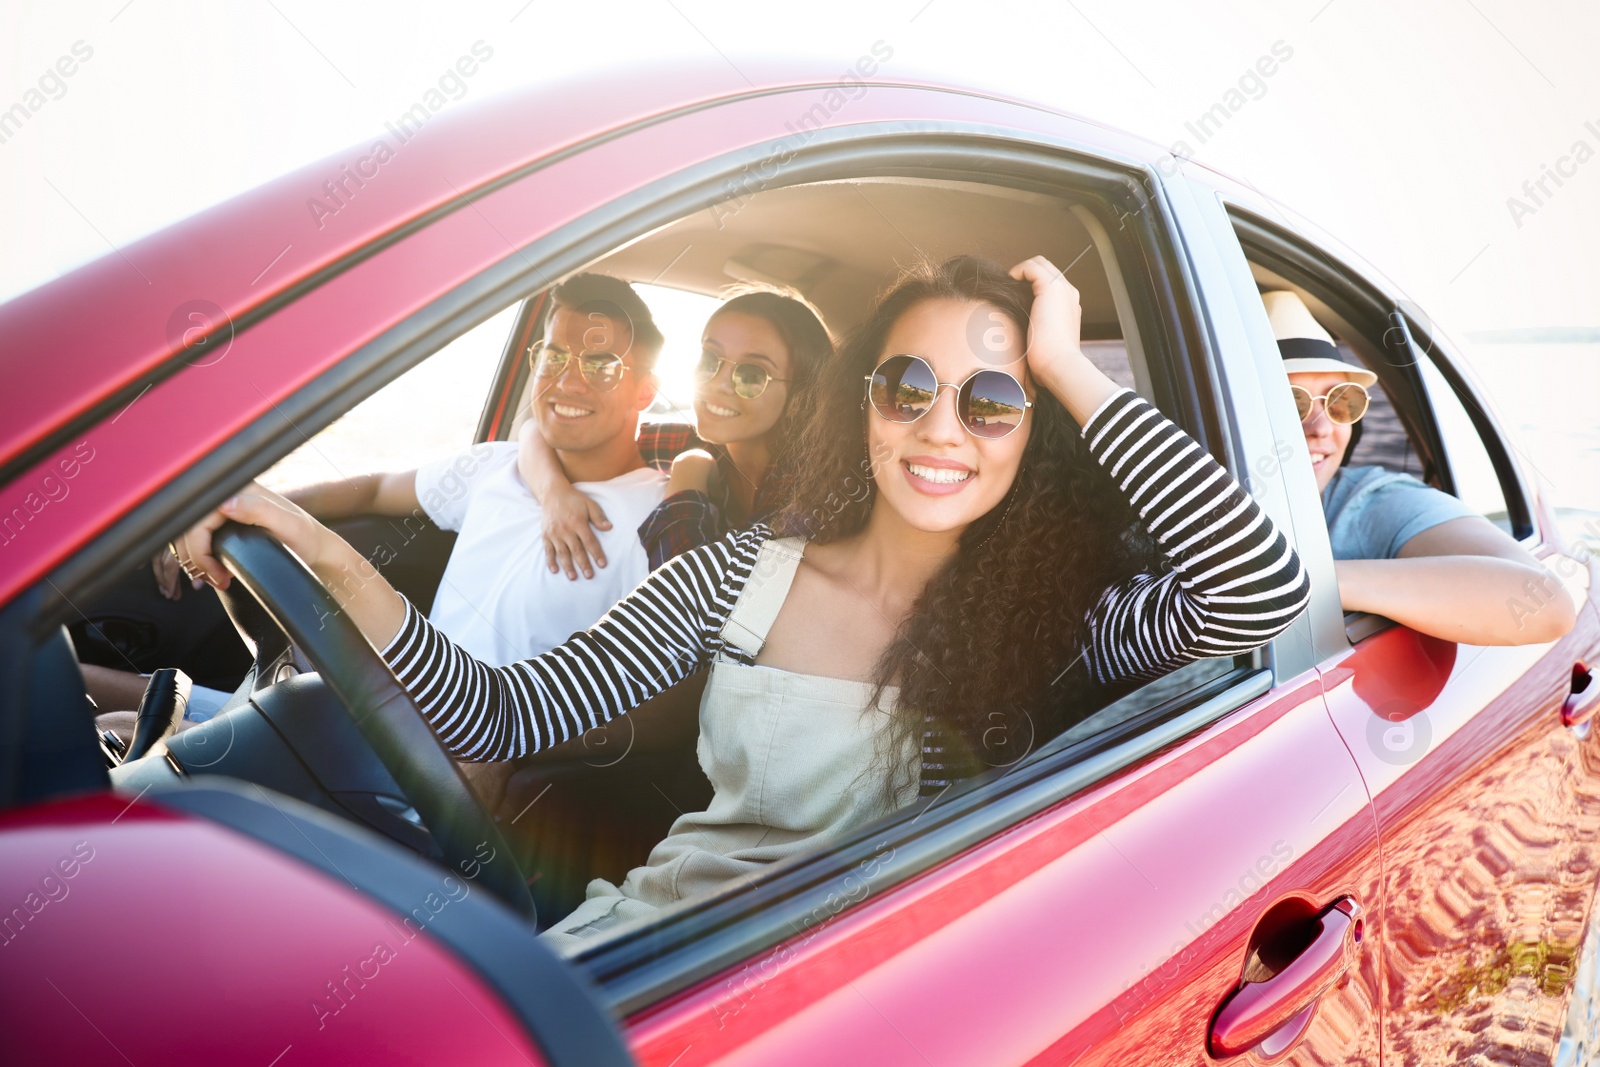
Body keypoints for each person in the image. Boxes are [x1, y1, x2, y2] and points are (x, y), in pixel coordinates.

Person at [176, 255, 1311, 953]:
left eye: (994, 398)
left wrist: (1072, 368)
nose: (939, 427)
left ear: (1036, 427)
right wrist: (308, 535)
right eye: (907, 386)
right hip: (654, 967)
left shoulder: (1064, 624)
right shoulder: (741, 567)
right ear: (867, 404)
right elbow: (496, 717)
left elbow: (1261, 585)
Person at [97, 274, 669, 766]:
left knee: (120, 741)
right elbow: (370, 489)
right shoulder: (498, 466)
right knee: (98, 709)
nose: (567, 382)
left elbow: (651, 705)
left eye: (601, 364)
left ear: (646, 390)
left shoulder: (660, 521)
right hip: (370, 706)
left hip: (444, 764)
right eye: (553, 356)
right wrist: (231, 506)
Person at [1264, 289, 1575, 645]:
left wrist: (1297, 581)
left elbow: (1546, 604)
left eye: (1340, 402)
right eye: (1289, 402)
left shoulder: (1369, 504)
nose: (1321, 428)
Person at [518, 287, 831, 580]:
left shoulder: (805, 502)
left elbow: (684, 600)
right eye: (710, 360)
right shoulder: (703, 443)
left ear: (801, 392)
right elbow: (543, 431)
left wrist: (688, 475)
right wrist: (553, 493)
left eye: (752, 374)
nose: (717, 383)